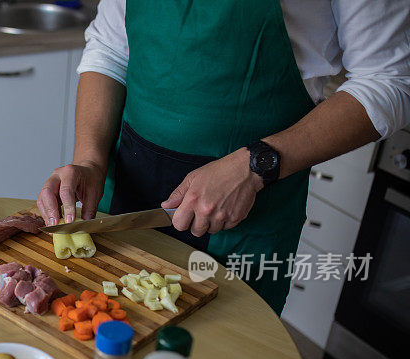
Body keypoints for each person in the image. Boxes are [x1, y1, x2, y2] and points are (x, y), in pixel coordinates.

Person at [37, 0, 410, 313]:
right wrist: (89, 160)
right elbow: (110, 48)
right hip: (126, 188)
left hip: (251, 205)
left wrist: (254, 166)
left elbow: (389, 79)